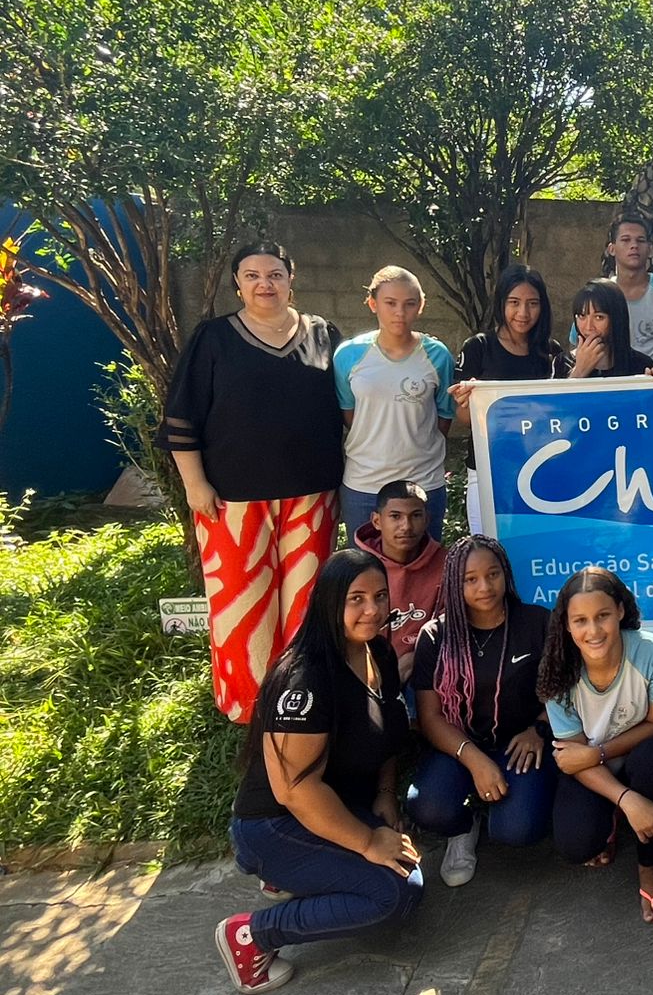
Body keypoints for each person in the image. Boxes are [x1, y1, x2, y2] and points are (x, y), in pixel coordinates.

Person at [217, 549, 422, 995]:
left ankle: (301, 875)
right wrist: (367, 841)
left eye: (380, 596)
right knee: (394, 894)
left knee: (408, 869)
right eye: (356, 599)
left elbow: (388, 731)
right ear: (330, 602)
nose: (372, 610)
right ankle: (253, 935)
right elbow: (295, 790)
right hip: (274, 824)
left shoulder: (379, 652)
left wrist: (385, 793)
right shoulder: (304, 679)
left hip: (334, 807)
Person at [159, 242, 344, 724]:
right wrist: (195, 484)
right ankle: (251, 706)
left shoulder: (322, 334)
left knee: (308, 602)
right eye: (252, 275)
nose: (265, 284)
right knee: (243, 605)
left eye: (275, 274)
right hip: (233, 499)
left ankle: (302, 696)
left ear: (291, 279)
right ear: (237, 283)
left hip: (312, 495)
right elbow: (181, 418)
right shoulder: (213, 338)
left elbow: (348, 406)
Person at [406, 536, 557, 887]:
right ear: (453, 584)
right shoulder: (436, 636)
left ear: (506, 573)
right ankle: (463, 826)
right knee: (426, 808)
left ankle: (508, 804)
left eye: (492, 574)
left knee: (517, 830)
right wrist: (475, 761)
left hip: (521, 743)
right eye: (470, 579)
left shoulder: (537, 622)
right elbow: (430, 717)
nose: (484, 587)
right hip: (459, 744)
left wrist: (539, 728)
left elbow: (564, 690)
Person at [537, 567, 653, 923]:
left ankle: (650, 864)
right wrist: (626, 799)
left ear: (620, 610)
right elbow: (572, 759)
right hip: (589, 770)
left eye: (602, 616)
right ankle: (616, 816)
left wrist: (598, 752)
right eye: (580, 621)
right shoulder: (557, 669)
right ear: (566, 625)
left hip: (637, 754)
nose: (593, 630)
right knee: (577, 846)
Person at [333, 266, 453, 547]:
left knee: (424, 568)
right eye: (390, 303)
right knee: (364, 568)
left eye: (409, 304)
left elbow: (443, 416)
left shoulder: (437, 355)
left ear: (420, 306)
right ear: (372, 303)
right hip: (365, 485)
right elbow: (349, 414)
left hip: (424, 483)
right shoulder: (348, 355)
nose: (400, 312)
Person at [450, 265, 569, 535]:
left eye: (532, 303)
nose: (523, 313)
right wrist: (470, 401)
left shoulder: (551, 352)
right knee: (488, 548)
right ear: (501, 303)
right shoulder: (478, 347)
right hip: (488, 471)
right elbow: (464, 418)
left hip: (541, 468)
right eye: (514, 302)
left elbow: (561, 410)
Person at [351, 479, 445, 686]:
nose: (406, 526)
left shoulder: (447, 564)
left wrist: (416, 656)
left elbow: (455, 627)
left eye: (416, 516)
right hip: (366, 671)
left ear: (427, 519)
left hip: (428, 668)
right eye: (395, 516)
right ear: (377, 521)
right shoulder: (354, 569)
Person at [585, 214, 653, 365]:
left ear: (649, 249)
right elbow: (577, 345)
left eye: (640, 240)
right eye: (626, 240)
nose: (634, 245)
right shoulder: (599, 296)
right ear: (611, 249)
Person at [566, 278, 653, 381]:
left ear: (616, 319)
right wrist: (579, 372)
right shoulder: (564, 363)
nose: (589, 327)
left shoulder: (640, 364)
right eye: (582, 316)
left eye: (599, 317)